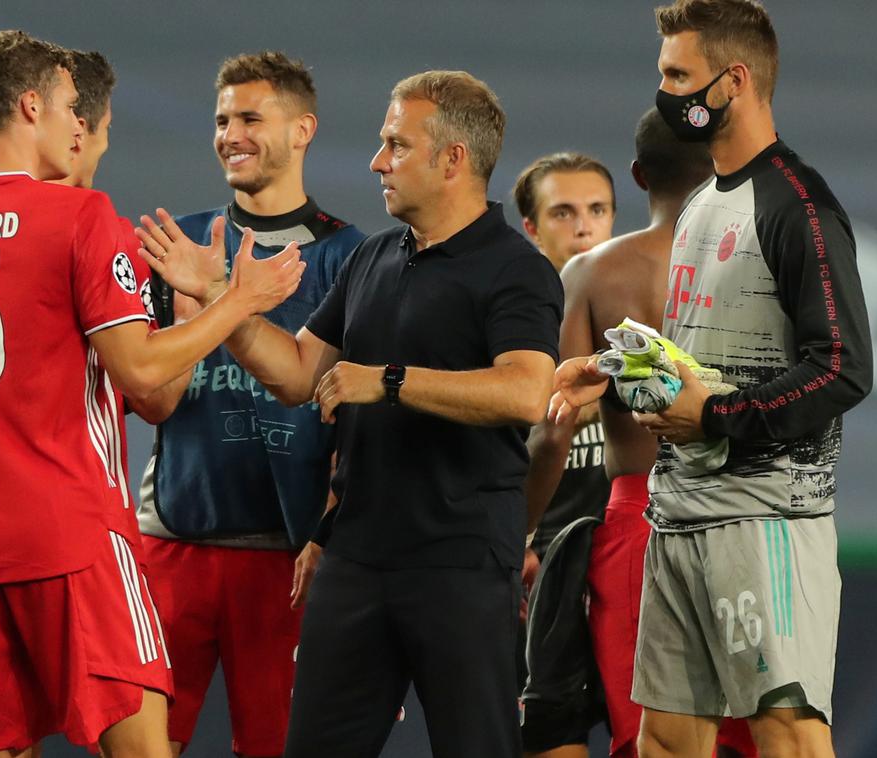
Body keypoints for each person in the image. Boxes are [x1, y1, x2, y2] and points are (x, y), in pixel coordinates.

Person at [0, 30, 304, 757]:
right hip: (74, 541)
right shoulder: (81, 218)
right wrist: (237, 301)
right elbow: (140, 373)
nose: (79, 123)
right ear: (31, 106)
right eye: (70, 105)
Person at [140, 69, 562, 758]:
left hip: (459, 563)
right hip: (356, 560)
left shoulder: (515, 269)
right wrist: (225, 299)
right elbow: (299, 374)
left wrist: (389, 381)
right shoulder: (372, 257)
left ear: (453, 159)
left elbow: (523, 391)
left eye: (395, 144)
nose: (376, 161)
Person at [553, 2, 872, 755]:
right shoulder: (704, 203)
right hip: (678, 517)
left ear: (733, 81)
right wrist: (610, 366)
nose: (664, 92)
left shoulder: (799, 208)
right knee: (664, 742)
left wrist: (720, 415)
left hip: (767, 524)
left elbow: (843, 369)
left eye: (677, 75)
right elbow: (701, 358)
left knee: (788, 739)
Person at [129, 51, 364, 758]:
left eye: (251, 117)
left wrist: (329, 530)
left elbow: (350, 419)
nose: (231, 132)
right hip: (174, 540)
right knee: (135, 746)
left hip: (287, 562)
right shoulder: (179, 247)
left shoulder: (350, 255)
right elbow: (156, 400)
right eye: (222, 119)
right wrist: (197, 298)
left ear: (302, 131)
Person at [541, 108, 757, 758]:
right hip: (748, 519)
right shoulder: (762, 267)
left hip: (640, 523)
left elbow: (553, 421)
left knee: (652, 741)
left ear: (638, 175)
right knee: (763, 737)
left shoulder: (591, 275)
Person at [512, 152, 617, 758]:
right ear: (531, 227)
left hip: (632, 560)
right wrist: (515, 540)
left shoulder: (644, 316)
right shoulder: (510, 332)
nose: (583, 226)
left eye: (597, 210)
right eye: (564, 212)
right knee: (551, 737)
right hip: (538, 571)